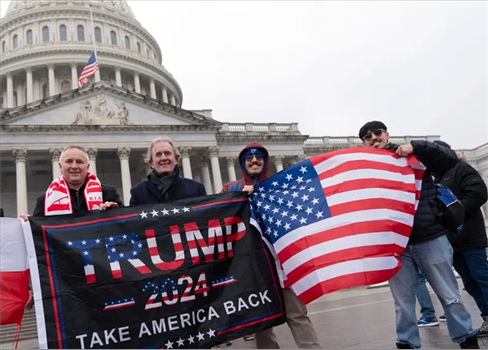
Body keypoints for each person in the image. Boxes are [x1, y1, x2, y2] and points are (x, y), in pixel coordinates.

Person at [358, 121, 479, 349]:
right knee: (402, 303)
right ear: (363, 142)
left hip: (429, 236)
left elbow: (449, 158)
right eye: (367, 136)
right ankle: (406, 343)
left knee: (450, 295)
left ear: (386, 134)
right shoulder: (364, 169)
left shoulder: (414, 155)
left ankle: (466, 338)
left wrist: (417, 146)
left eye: (377, 132)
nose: (374, 137)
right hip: (394, 245)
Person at [221, 141, 323, 349]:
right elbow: (220, 214)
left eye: (259, 157)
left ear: (266, 161)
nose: (254, 161)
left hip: (282, 261)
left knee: (297, 313)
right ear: (242, 162)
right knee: (262, 321)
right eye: (249, 158)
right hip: (253, 266)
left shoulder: (280, 184)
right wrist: (238, 196)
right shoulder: (232, 188)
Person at [21, 145, 122, 309]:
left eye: (79, 161)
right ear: (60, 166)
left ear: (87, 167)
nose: (74, 166)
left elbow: (127, 232)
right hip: (67, 282)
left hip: (105, 278)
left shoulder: (108, 194)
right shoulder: (45, 201)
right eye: (69, 161)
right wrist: (28, 228)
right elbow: (39, 247)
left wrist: (116, 214)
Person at [432, 140, 488, 338]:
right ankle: (487, 316)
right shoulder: (436, 178)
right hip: (452, 241)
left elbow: (480, 193)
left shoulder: (462, 168)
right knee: (470, 282)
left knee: (482, 277)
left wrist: (454, 212)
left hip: (471, 236)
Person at [129, 136, 206, 206]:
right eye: (158, 154)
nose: (163, 158)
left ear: (175, 159)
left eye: (167, 153)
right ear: (151, 163)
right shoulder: (138, 193)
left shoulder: (196, 189)